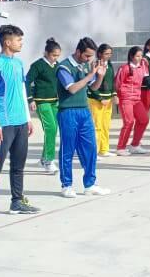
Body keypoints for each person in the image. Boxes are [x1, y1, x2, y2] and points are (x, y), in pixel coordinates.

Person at [0, 25, 39, 226]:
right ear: (7, 42)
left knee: (18, 166)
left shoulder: (19, 63)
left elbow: (22, 90)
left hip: (20, 123)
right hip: (3, 125)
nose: (21, 43)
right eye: (18, 40)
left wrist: (28, 119)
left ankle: (17, 201)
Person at [56, 37, 111, 198]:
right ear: (78, 51)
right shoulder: (64, 67)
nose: (88, 59)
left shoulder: (86, 65)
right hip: (68, 112)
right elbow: (72, 88)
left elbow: (93, 87)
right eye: (86, 56)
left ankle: (90, 184)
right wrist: (90, 74)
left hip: (84, 111)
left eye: (91, 56)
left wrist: (99, 76)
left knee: (90, 148)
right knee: (68, 149)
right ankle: (66, 185)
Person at [26, 38, 62, 175]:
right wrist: (30, 99)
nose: (55, 58)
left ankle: (44, 158)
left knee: (53, 130)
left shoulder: (58, 65)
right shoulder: (37, 65)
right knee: (50, 129)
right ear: (46, 53)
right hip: (42, 102)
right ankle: (48, 160)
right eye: (53, 55)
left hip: (55, 102)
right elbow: (27, 82)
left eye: (57, 55)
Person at [114, 46, 150, 156]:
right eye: (137, 56)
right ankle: (120, 147)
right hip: (126, 98)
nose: (140, 58)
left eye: (141, 56)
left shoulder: (141, 67)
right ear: (131, 56)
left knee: (144, 120)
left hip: (137, 98)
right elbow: (117, 83)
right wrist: (116, 95)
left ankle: (135, 145)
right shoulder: (124, 68)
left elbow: (146, 77)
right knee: (129, 122)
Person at [88, 44, 116, 158]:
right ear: (100, 54)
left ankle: (104, 149)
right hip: (96, 100)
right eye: (106, 53)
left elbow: (112, 81)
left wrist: (114, 95)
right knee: (97, 126)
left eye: (110, 53)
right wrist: (100, 98)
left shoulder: (109, 65)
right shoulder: (94, 65)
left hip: (108, 100)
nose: (109, 56)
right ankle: (94, 151)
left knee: (105, 125)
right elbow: (90, 85)